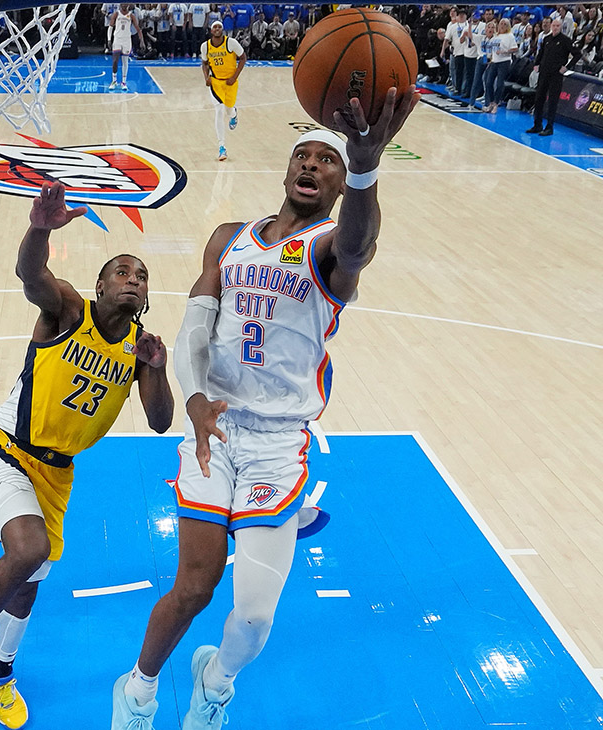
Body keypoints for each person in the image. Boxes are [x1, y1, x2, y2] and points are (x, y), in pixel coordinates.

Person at [111, 86, 420, 730]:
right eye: (303, 156)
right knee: (194, 587)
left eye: (327, 163)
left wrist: (366, 168)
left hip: (280, 443)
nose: (312, 166)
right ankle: (137, 691)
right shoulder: (230, 238)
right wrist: (194, 401)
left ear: (339, 185)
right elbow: (197, 325)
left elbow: (360, 246)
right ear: (285, 170)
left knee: (253, 615)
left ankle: (215, 680)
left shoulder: (332, 246)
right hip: (216, 429)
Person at [0, 181, 174, 730]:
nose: (133, 280)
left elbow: (160, 422)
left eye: (141, 276)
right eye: (122, 271)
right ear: (99, 283)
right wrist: (39, 227)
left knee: (27, 586)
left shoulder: (139, 348)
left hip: (56, 474)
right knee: (27, 551)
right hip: (3, 448)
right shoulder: (68, 310)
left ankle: (0, 669)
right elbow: (30, 274)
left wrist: (156, 369)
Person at [202, 19, 245, 162]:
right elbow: (204, 63)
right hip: (216, 83)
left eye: (219, 26)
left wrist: (234, 76)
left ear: (222, 29)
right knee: (219, 110)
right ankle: (222, 147)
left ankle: (234, 115)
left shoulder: (231, 43)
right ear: (211, 30)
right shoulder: (205, 46)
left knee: (228, 109)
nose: (217, 29)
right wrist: (206, 77)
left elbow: (243, 58)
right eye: (215, 27)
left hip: (230, 81)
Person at [527, 18, 578, 136]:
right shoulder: (547, 39)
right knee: (539, 98)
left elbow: (577, 54)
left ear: (561, 27)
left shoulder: (565, 40)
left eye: (557, 26)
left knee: (552, 101)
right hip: (544, 73)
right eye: (553, 25)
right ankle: (537, 124)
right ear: (551, 26)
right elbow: (541, 53)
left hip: (556, 75)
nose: (555, 27)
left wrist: (567, 67)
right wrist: (537, 64)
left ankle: (549, 127)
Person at [483, 18, 517, 113]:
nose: (502, 25)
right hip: (494, 61)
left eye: (505, 24)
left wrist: (504, 51)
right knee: (488, 82)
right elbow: (489, 49)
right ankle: (491, 103)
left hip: (504, 61)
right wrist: (488, 59)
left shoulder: (510, 36)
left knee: (499, 83)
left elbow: (515, 49)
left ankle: (496, 104)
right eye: (501, 23)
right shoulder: (495, 36)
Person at [108, 4, 143, 91]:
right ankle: (114, 81)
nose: (124, 5)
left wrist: (141, 40)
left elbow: (138, 29)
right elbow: (110, 27)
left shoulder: (131, 16)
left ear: (127, 5)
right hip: (117, 39)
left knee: (125, 62)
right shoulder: (116, 14)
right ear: (120, 5)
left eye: (125, 4)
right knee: (115, 60)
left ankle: (123, 82)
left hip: (127, 40)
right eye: (122, 4)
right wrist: (109, 39)